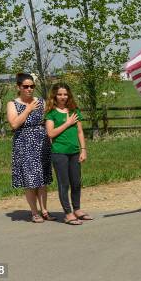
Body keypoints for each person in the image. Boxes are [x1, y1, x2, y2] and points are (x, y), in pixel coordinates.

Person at [6, 73, 54, 223]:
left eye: (32, 86)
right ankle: (34, 212)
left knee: (42, 179)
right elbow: (14, 124)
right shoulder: (13, 104)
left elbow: (47, 121)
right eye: (25, 86)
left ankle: (44, 210)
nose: (29, 89)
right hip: (24, 143)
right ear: (18, 87)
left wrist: (51, 138)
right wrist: (27, 109)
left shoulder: (41, 102)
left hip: (41, 141)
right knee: (30, 179)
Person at [45, 83, 92, 225]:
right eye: (59, 94)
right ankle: (68, 213)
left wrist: (83, 149)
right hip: (59, 153)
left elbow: (79, 131)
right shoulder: (51, 113)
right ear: (54, 96)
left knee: (76, 182)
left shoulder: (74, 110)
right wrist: (67, 123)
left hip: (74, 152)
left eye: (65, 94)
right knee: (64, 183)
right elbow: (50, 133)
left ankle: (77, 209)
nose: (62, 97)